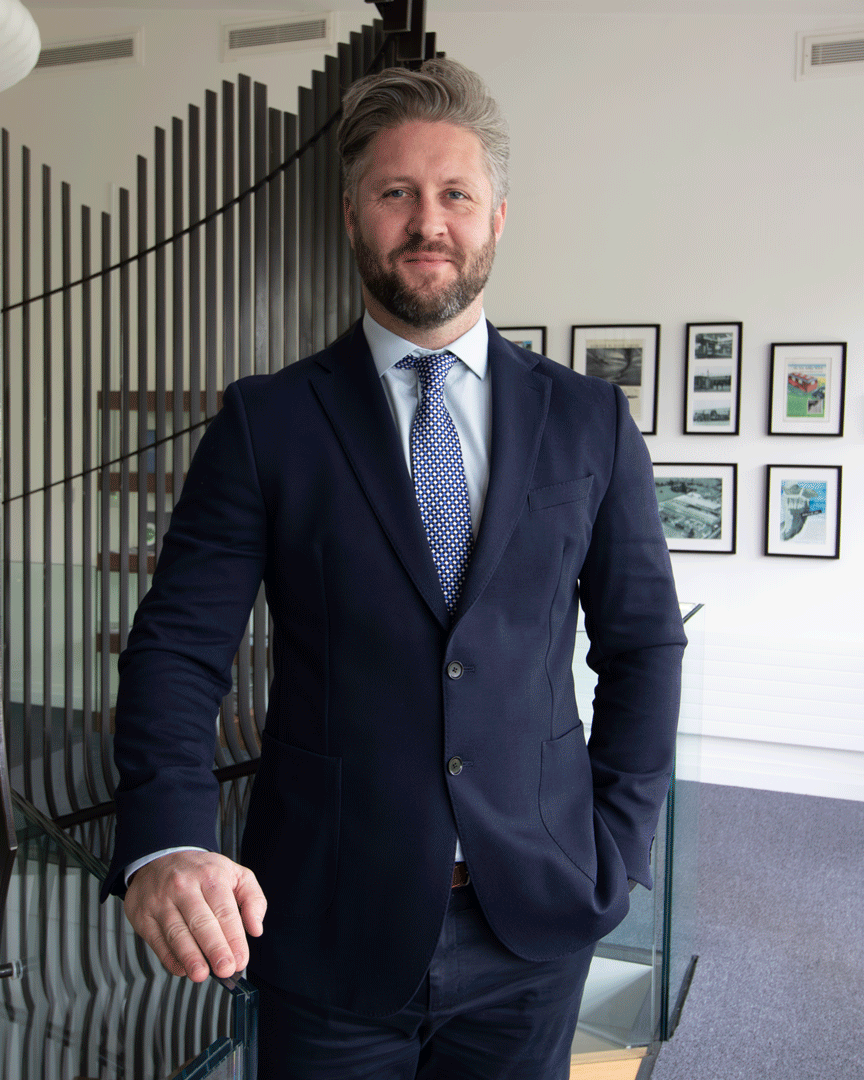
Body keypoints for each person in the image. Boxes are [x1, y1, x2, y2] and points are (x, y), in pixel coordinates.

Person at [103, 58, 686, 1079]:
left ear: (496, 217)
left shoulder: (588, 418)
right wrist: (167, 839)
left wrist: (618, 844)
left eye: (455, 194)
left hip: (536, 919)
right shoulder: (267, 422)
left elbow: (642, 645)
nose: (428, 222)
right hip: (325, 918)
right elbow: (179, 650)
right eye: (396, 193)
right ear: (352, 215)